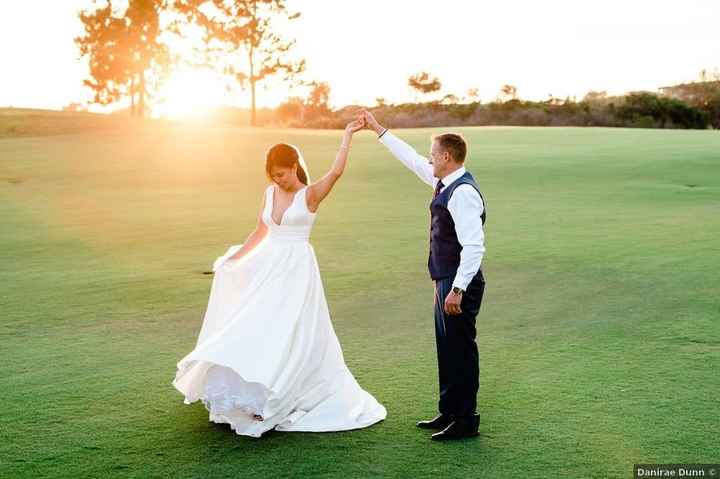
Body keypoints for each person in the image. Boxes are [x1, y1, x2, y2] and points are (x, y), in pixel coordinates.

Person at [172, 118, 387, 438]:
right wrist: (233, 259)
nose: (278, 180)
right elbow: (261, 230)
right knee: (257, 325)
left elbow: (336, 172)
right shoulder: (270, 192)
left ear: (294, 167)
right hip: (268, 266)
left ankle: (280, 395)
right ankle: (251, 394)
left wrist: (347, 136)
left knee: (290, 330)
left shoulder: (311, 194)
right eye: (273, 175)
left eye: (282, 174)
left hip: (297, 269)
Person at [360, 109, 486, 440]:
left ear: (447, 156)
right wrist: (378, 129)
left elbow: (474, 247)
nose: (429, 160)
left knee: (460, 349)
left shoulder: (463, 193)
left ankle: (465, 420)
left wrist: (457, 289)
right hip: (444, 279)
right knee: (447, 347)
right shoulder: (444, 181)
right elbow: (412, 160)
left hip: (460, 284)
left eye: (433, 155)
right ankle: (449, 411)